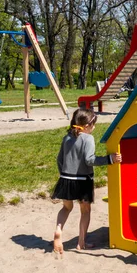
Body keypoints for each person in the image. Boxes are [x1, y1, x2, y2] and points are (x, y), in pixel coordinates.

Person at [52, 108, 122, 255]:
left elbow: (60, 159)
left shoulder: (67, 138)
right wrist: (110, 159)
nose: (94, 127)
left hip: (66, 179)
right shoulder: (88, 139)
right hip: (83, 181)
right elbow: (90, 160)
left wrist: (64, 175)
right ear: (86, 126)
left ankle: (58, 230)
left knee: (66, 208)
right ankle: (81, 243)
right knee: (85, 211)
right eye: (93, 124)